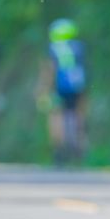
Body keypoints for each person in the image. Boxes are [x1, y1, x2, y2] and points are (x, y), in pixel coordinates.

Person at [37, 18, 87, 164]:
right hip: (77, 87)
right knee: (77, 115)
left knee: (56, 115)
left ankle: (59, 150)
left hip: (58, 88)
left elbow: (49, 70)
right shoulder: (79, 47)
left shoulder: (53, 48)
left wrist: (43, 88)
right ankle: (78, 146)